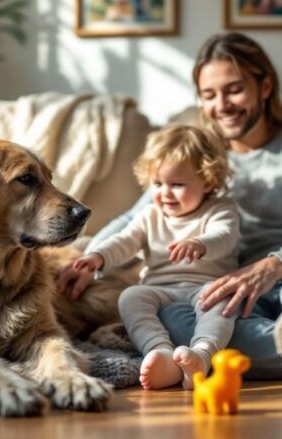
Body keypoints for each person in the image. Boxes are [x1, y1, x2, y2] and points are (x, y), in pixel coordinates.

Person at [57, 32, 282, 405]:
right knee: (177, 322)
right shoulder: (196, 157)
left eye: (234, 89)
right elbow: (137, 219)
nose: (221, 105)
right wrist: (88, 261)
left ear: (265, 86)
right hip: (235, 294)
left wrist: (276, 264)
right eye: (209, 95)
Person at [70, 125, 241, 390]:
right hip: (160, 289)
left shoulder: (220, 209)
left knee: (224, 301)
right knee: (131, 296)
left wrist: (201, 243)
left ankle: (202, 354)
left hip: (206, 286)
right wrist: (98, 257)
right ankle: (160, 352)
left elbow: (226, 235)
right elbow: (124, 241)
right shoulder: (150, 214)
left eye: (177, 185)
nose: (165, 193)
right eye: (158, 184)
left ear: (207, 181)